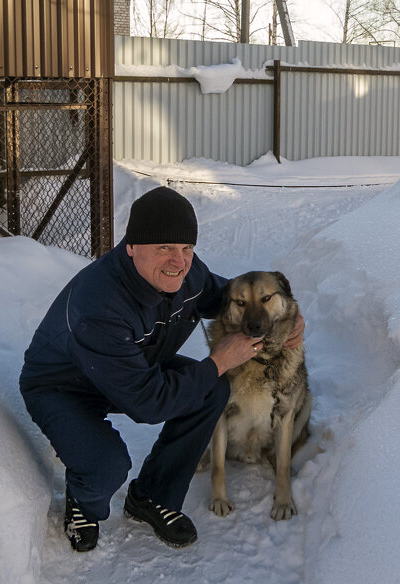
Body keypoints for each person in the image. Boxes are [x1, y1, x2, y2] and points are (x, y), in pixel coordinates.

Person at [19, 186, 303, 552]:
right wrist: (219, 361)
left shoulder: (186, 273)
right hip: (63, 387)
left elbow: (226, 298)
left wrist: (288, 316)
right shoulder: (99, 307)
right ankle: (82, 500)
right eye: (164, 248)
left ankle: (152, 497)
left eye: (186, 249)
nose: (178, 261)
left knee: (211, 389)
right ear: (132, 246)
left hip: (133, 365)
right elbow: (148, 404)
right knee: (106, 467)